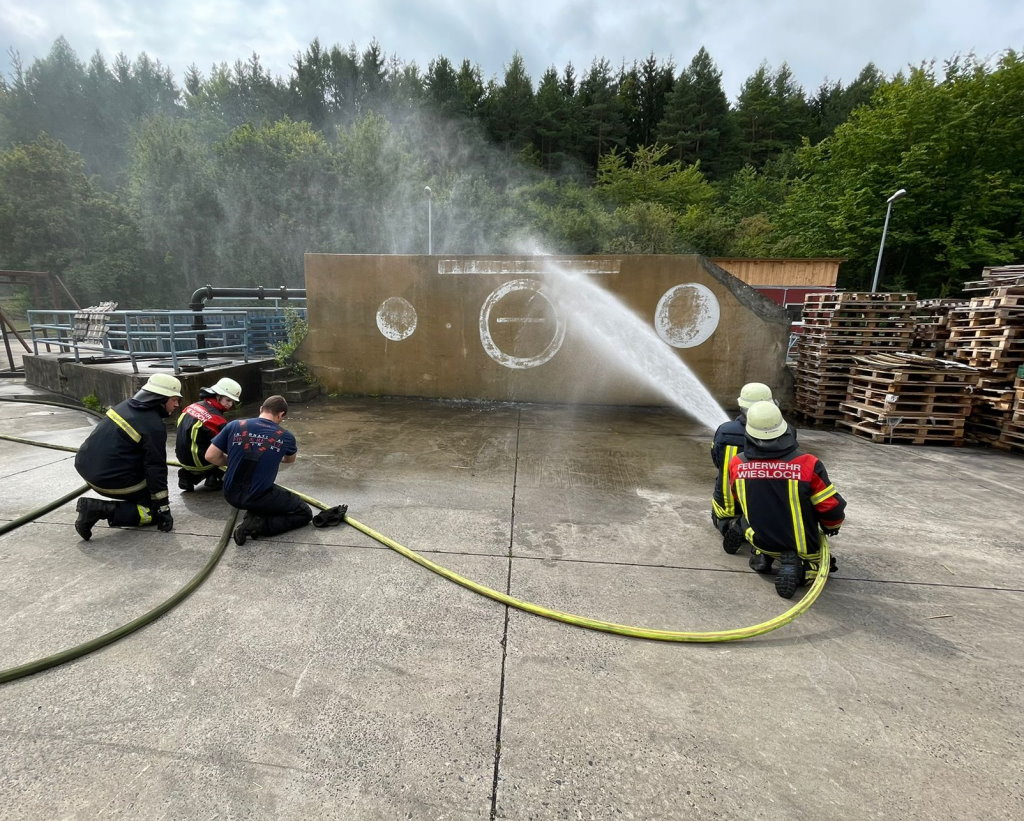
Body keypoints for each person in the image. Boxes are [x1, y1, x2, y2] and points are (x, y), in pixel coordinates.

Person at [714, 401, 846, 599]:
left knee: (754, 516)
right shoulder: (808, 464)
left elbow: (738, 498)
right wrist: (831, 526)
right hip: (800, 544)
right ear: (784, 430)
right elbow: (831, 507)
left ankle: (761, 555)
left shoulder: (737, 463)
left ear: (748, 433)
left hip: (759, 536)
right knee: (818, 564)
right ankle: (799, 567)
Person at [73, 373, 182, 540]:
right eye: (174, 399)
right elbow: (156, 468)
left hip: (85, 465)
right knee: (150, 511)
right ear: (160, 399)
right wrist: (163, 507)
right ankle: (96, 509)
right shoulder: (153, 426)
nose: (177, 405)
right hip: (109, 480)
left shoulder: (124, 406)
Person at [205, 394, 312, 546]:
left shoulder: (234, 425)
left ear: (261, 409)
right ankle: (258, 526)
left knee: (264, 498)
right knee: (304, 513)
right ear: (281, 414)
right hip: (259, 496)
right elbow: (289, 460)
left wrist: (236, 461)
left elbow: (210, 456)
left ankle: (255, 514)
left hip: (229, 493)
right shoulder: (286, 437)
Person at [710, 382, 775, 553]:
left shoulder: (724, 431)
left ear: (741, 405)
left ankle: (729, 524)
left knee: (721, 509)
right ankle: (755, 534)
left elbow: (717, 461)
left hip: (727, 505)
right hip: (764, 507)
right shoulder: (784, 433)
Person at [175, 377, 242, 492]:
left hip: (182, 458)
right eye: (228, 400)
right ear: (217, 396)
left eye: (233, 401)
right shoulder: (217, 419)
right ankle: (214, 476)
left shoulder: (191, 406)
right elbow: (228, 446)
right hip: (201, 463)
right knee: (236, 458)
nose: (230, 405)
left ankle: (187, 476)